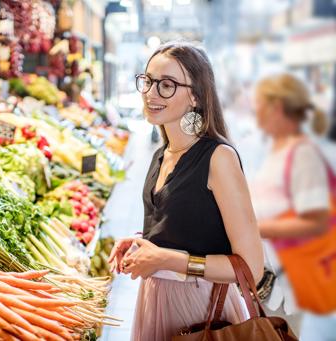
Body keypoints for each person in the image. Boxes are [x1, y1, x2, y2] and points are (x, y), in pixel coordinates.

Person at [108, 41, 264, 341]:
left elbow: (251, 268)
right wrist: (145, 243)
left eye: (167, 85)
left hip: (201, 310)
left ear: (195, 95)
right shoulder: (162, 154)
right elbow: (191, 229)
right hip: (154, 300)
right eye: (148, 81)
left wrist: (165, 259)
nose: (151, 94)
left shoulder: (218, 157)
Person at [250, 73, 336, 340]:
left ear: (276, 108)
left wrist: (255, 228)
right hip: (277, 285)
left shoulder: (303, 155)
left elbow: (317, 221)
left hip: (294, 288)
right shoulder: (278, 150)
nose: (256, 112)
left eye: (259, 105)